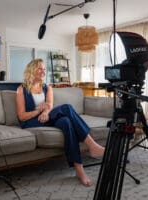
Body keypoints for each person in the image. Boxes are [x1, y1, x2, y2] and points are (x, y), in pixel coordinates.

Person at [16, 58, 104, 186]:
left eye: (44, 69)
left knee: (66, 121)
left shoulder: (47, 88)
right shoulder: (21, 89)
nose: (43, 72)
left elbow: (49, 106)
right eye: (40, 68)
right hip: (30, 121)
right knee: (67, 108)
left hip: (46, 118)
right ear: (32, 70)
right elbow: (22, 116)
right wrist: (39, 111)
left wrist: (46, 112)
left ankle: (79, 170)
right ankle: (92, 145)